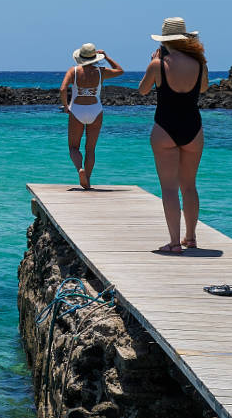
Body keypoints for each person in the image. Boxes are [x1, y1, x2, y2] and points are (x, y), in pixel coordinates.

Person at [134, 17, 206, 254]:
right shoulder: (199, 62)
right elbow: (203, 88)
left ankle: (175, 243)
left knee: (169, 188)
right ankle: (191, 237)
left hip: (165, 126)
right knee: (190, 186)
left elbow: (143, 90)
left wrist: (154, 62)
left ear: (165, 40)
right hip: (193, 127)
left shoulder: (159, 64)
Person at [60, 43, 124, 189]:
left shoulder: (73, 71)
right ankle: (87, 180)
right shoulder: (101, 71)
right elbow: (120, 71)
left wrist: (65, 106)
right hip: (95, 110)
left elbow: (63, 89)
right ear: (95, 57)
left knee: (73, 147)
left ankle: (79, 169)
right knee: (90, 149)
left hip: (77, 110)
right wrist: (107, 57)